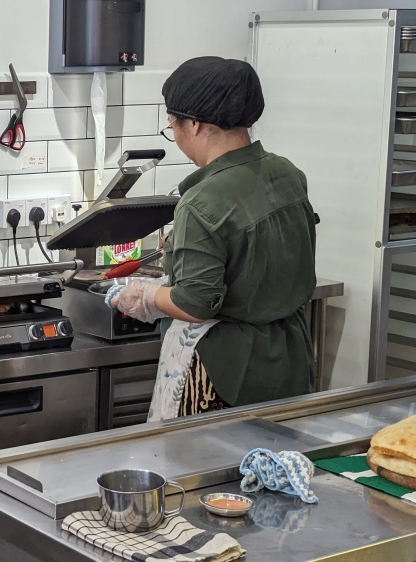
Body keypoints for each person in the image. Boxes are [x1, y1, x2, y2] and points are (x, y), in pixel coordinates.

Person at [110, 56, 317, 422]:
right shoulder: (286, 174)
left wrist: (146, 296)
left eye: (172, 124)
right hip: (290, 360)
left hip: (227, 374)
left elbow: (194, 304)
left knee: (208, 474)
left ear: (194, 123)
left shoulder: (202, 203)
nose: (174, 134)